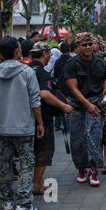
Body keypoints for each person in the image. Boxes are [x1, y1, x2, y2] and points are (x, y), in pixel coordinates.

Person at [0, 37, 44, 210]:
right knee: (26, 164)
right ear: (17, 51)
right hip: (24, 126)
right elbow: (35, 100)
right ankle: (24, 203)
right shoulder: (27, 72)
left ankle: (7, 200)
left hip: (2, 126)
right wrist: (40, 123)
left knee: (4, 163)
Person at [65, 33, 106, 187]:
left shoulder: (99, 61)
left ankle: (93, 170)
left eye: (90, 44)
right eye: (84, 45)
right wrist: (87, 105)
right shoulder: (72, 64)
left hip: (96, 104)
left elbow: (104, 79)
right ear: (77, 47)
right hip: (78, 106)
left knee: (94, 138)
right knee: (78, 139)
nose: (88, 47)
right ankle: (81, 169)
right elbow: (73, 88)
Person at [29, 42, 73, 195]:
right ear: (45, 53)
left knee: (34, 152)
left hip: (27, 119)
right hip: (42, 119)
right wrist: (63, 106)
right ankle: (36, 185)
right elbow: (44, 94)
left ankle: (39, 182)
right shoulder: (42, 73)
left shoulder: (27, 69)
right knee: (44, 153)